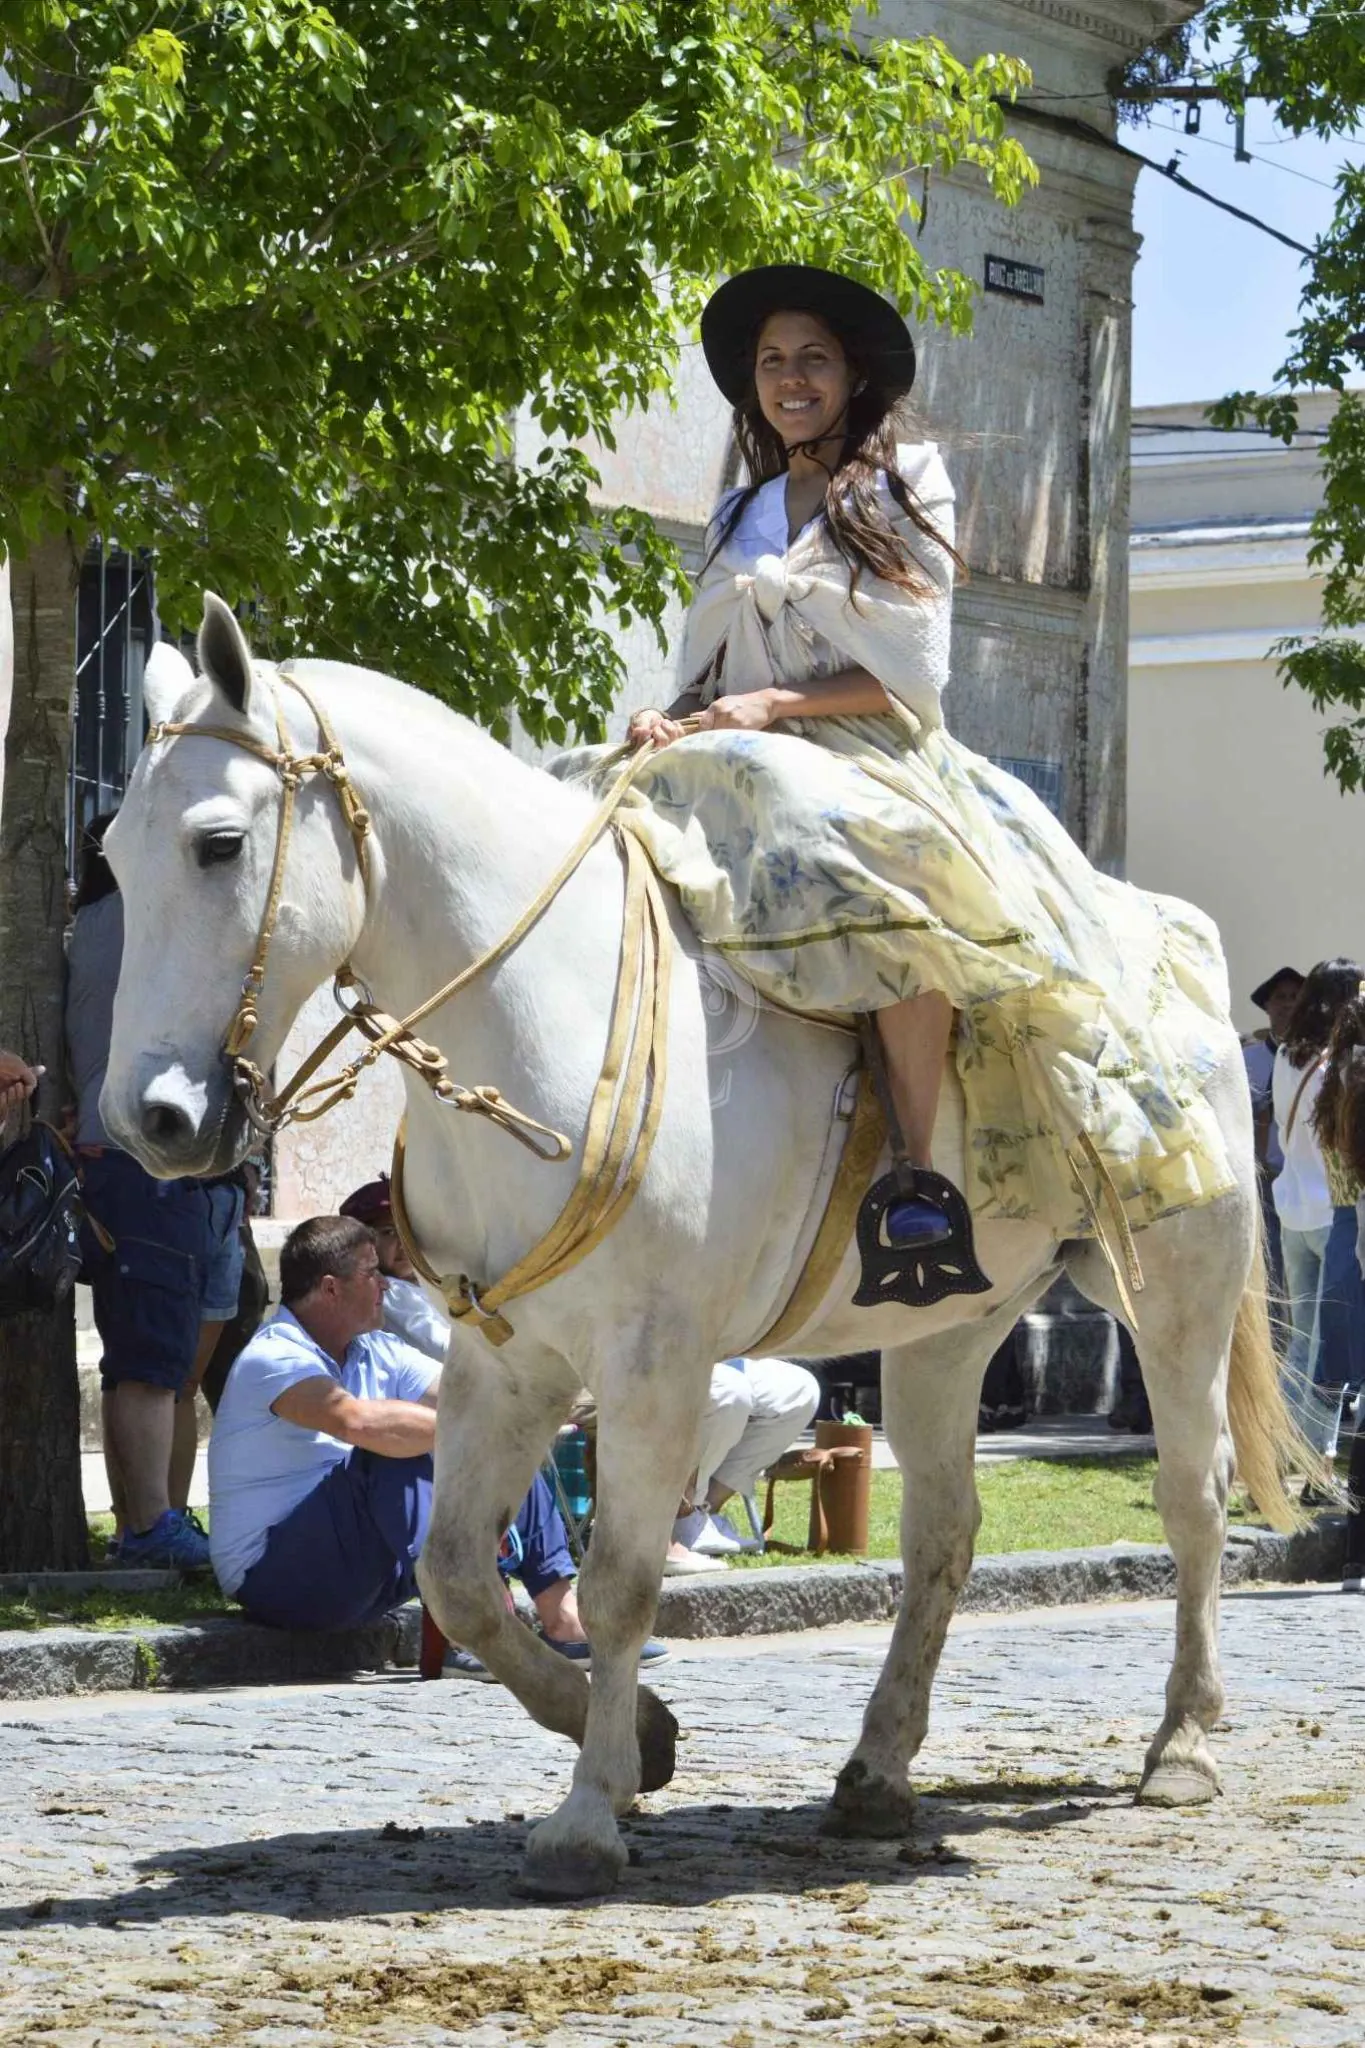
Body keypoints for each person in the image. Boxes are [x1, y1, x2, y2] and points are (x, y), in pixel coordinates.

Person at [558, 264, 1234, 1298]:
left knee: (905, 885)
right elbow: (717, 654)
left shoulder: (908, 478)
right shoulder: (739, 505)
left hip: (868, 747)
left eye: (812, 358)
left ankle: (920, 1175)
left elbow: (916, 670)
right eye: (772, 361)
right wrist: (677, 710)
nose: (790, 378)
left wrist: (777, 708)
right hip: (734, 749)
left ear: (853, 374)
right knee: (581, 810)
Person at [224, 1206, 666, 1672]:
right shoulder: (272, 1356)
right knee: (396, 1446)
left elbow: (473, 1400)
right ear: (331, 1288)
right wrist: (477, 1426)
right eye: (372, 1274)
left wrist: (506, 1423)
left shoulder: (377, 1349)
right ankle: (472, 1626)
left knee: (500, 1440)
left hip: (362, 1563)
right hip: (276, 1575)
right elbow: (355, 1423)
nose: (387, 1286)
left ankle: (564, 1622)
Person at [64, 813, 243, 1571]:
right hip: (148, 1165)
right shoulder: (133, 925)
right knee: (148, 1362)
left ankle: (154, 1521)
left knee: (168, 1363)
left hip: (180, 1171)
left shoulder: (91, 928)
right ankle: (147, 1527)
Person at [1271, 959, 1364, 1475]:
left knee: (1301, 1338)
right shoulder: (1338, 1066)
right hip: (1334, 1211)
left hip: (1292, 1208)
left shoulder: (1285, 1055)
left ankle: (1284, 1448)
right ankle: (1317, 1457)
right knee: (1327, 1347)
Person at [666, 1355, 821, 1571]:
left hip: (713, 1354)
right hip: (655, 1356)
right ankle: (679, 1515)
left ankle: (703, 1514)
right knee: (729, 1391)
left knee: (801, 1391)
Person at [1243, 965, 1304, 1301]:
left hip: (1304, 1179)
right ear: (1267, 1007)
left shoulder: (1317, 1060)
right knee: (1271, 1272)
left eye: (1296, 997)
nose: (1288, 1004)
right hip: (1263, 1178)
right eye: (1280, 998)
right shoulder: (1246, 1059)